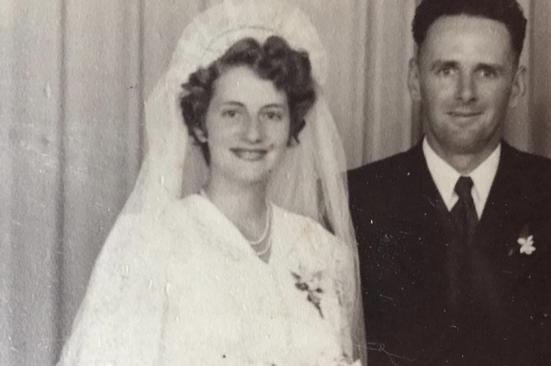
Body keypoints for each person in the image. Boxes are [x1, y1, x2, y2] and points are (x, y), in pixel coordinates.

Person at [57, 1, 364, 365]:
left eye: (272, 114)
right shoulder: (150, 245)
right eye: (233, 112)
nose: (253, 132)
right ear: (201, 123)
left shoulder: (324, 254)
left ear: (292, 127)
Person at [348, 0, 551, 364]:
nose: (466, 93)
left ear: (517, 85)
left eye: (486, 72)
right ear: (415, 80)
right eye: (447, 70)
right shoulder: (355, 200)